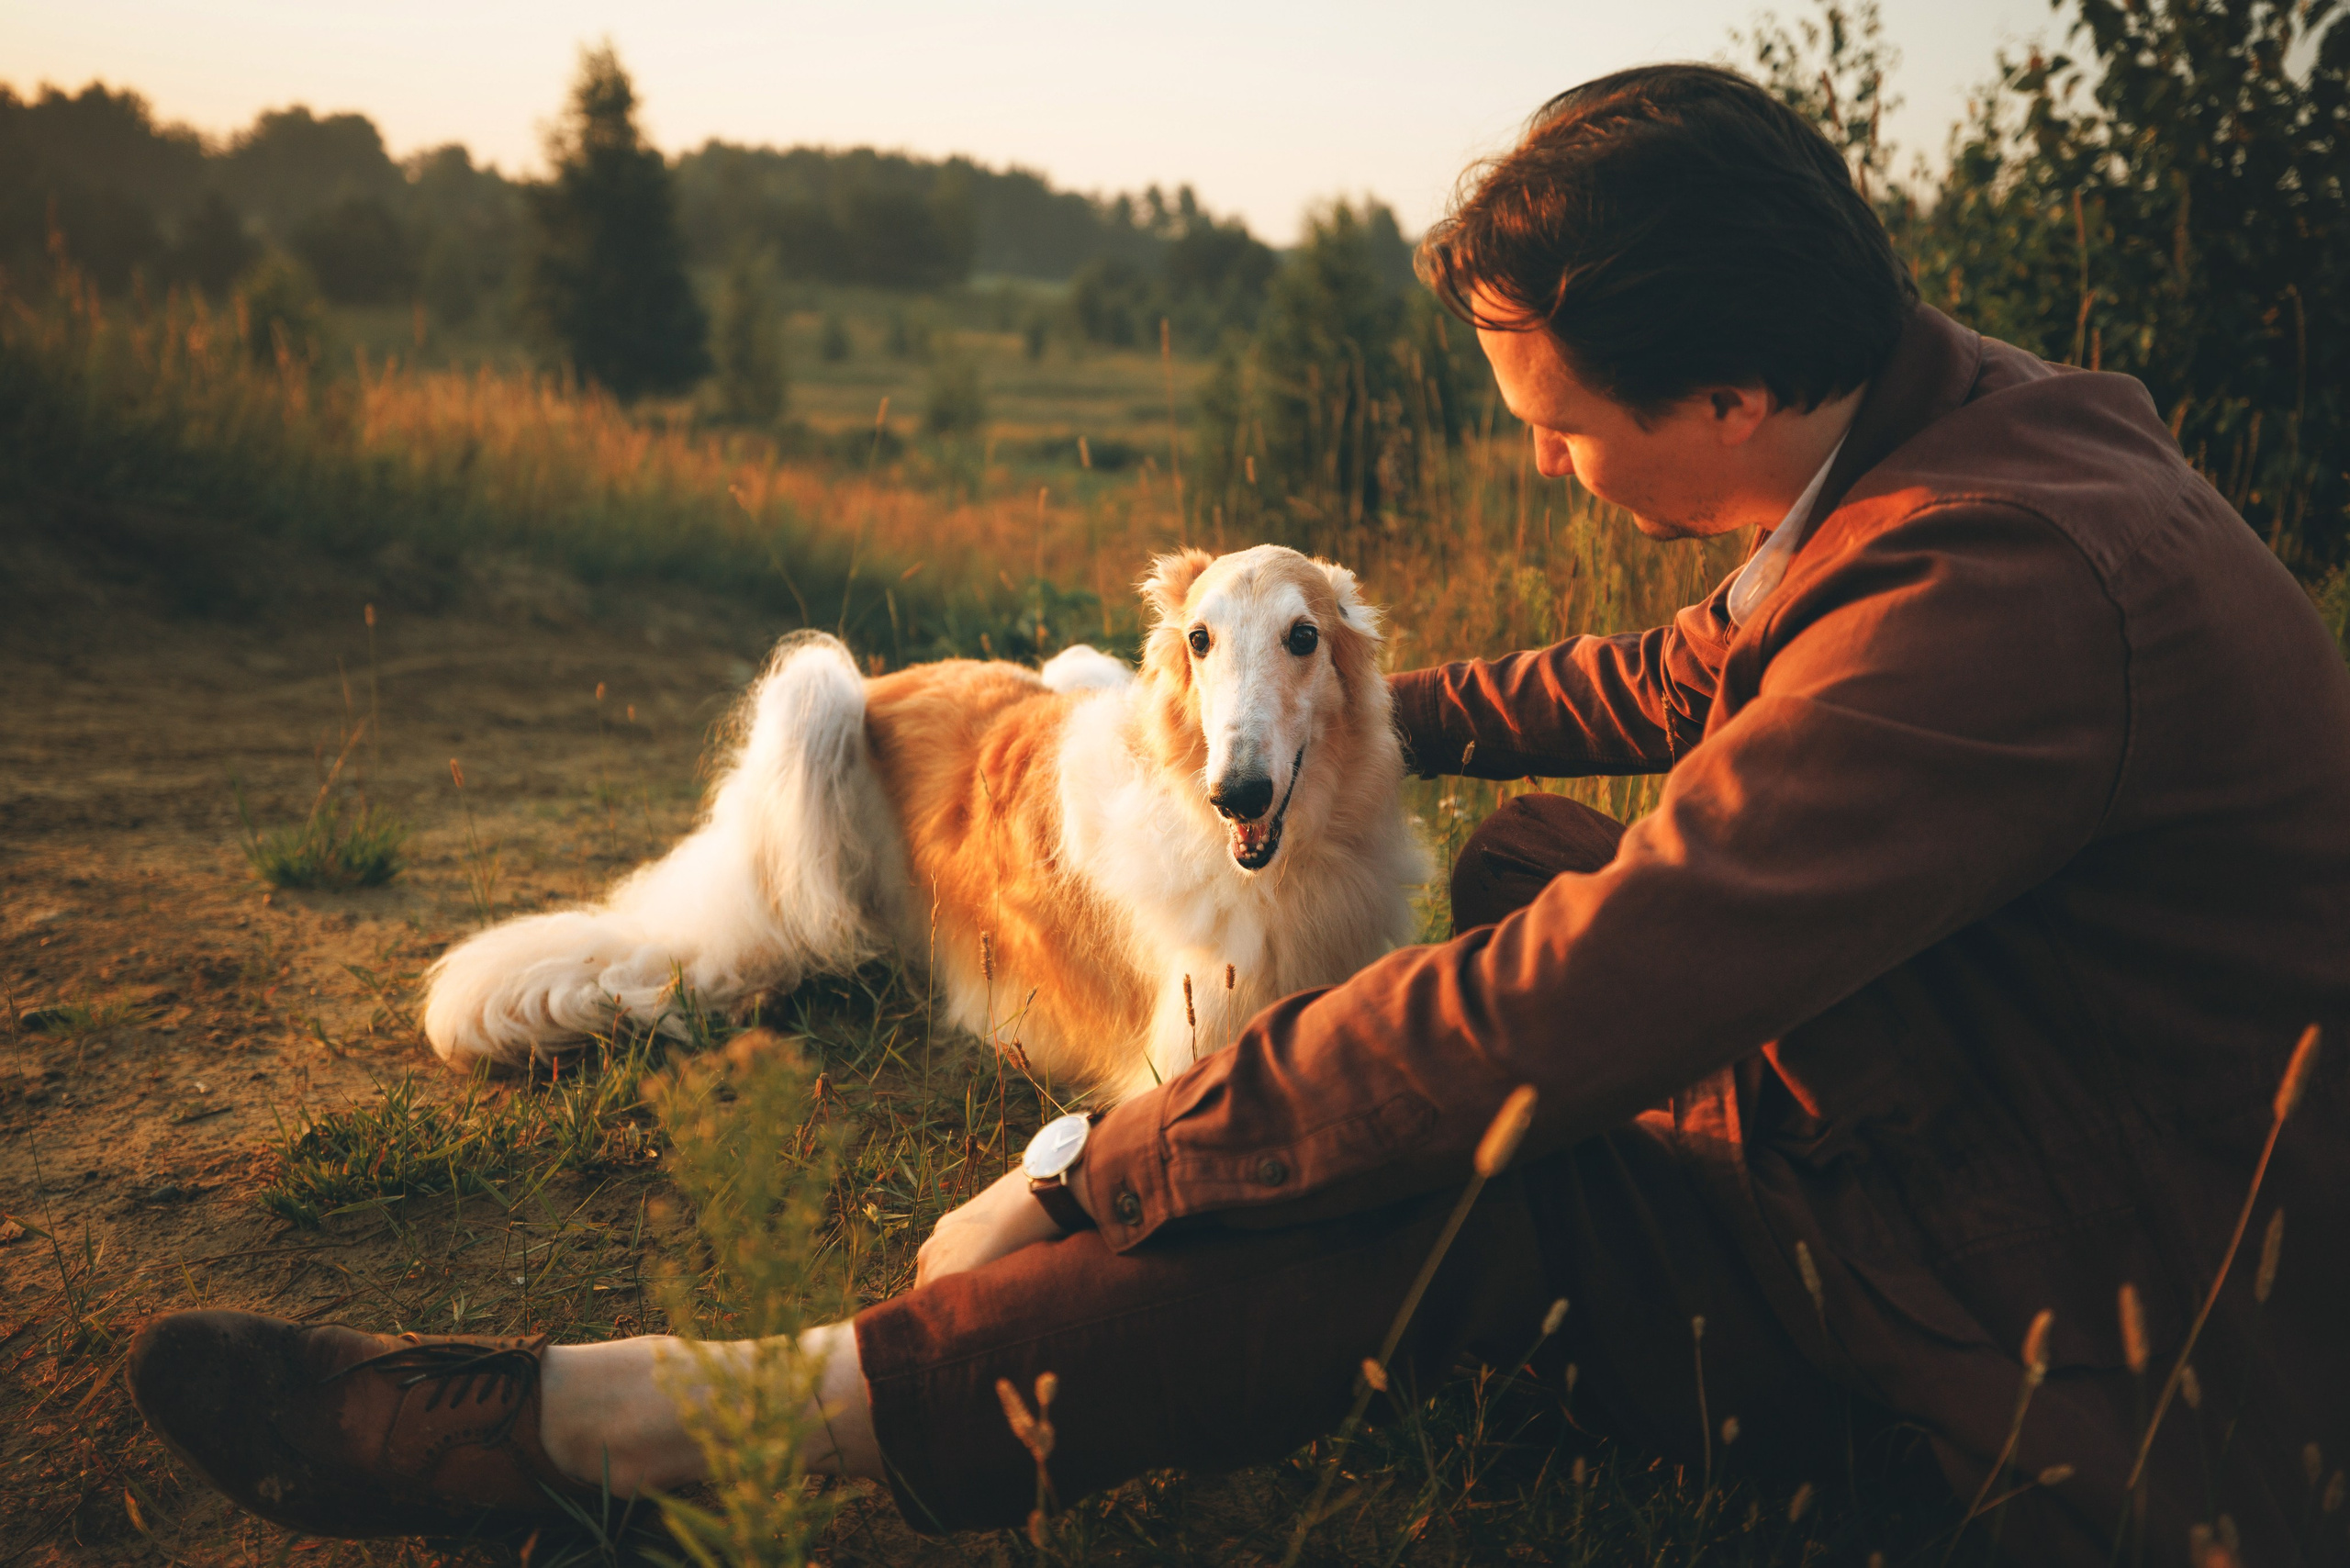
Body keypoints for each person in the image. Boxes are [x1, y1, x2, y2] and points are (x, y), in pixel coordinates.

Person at [129, 64, 2350, 1564]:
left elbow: (1565, 1001)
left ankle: (654, 1427)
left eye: (1561, 431)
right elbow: (1661, 681)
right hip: (1982, 1088)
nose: (1551, 467)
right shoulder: (1961, 440)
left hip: (2082, 1321)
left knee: (1395, 1168)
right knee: (1502, 875)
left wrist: (1104, 1152)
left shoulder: (1994, 601)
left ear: (1734, 394)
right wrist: (1322, 719)